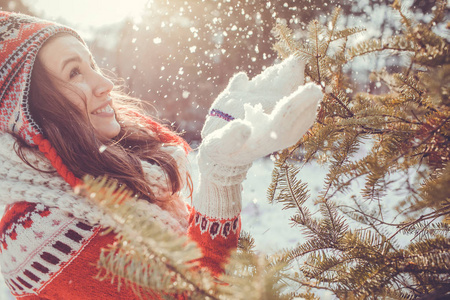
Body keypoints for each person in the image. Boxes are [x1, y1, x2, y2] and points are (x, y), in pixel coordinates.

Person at [0, 11, 323, 300]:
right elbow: (194, 293)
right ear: (28, 114)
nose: (105, 84)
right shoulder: (37, 242)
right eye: (74, 73)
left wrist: (220, 131)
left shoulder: (109, 175)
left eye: (92, 65)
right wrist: (220, 177)